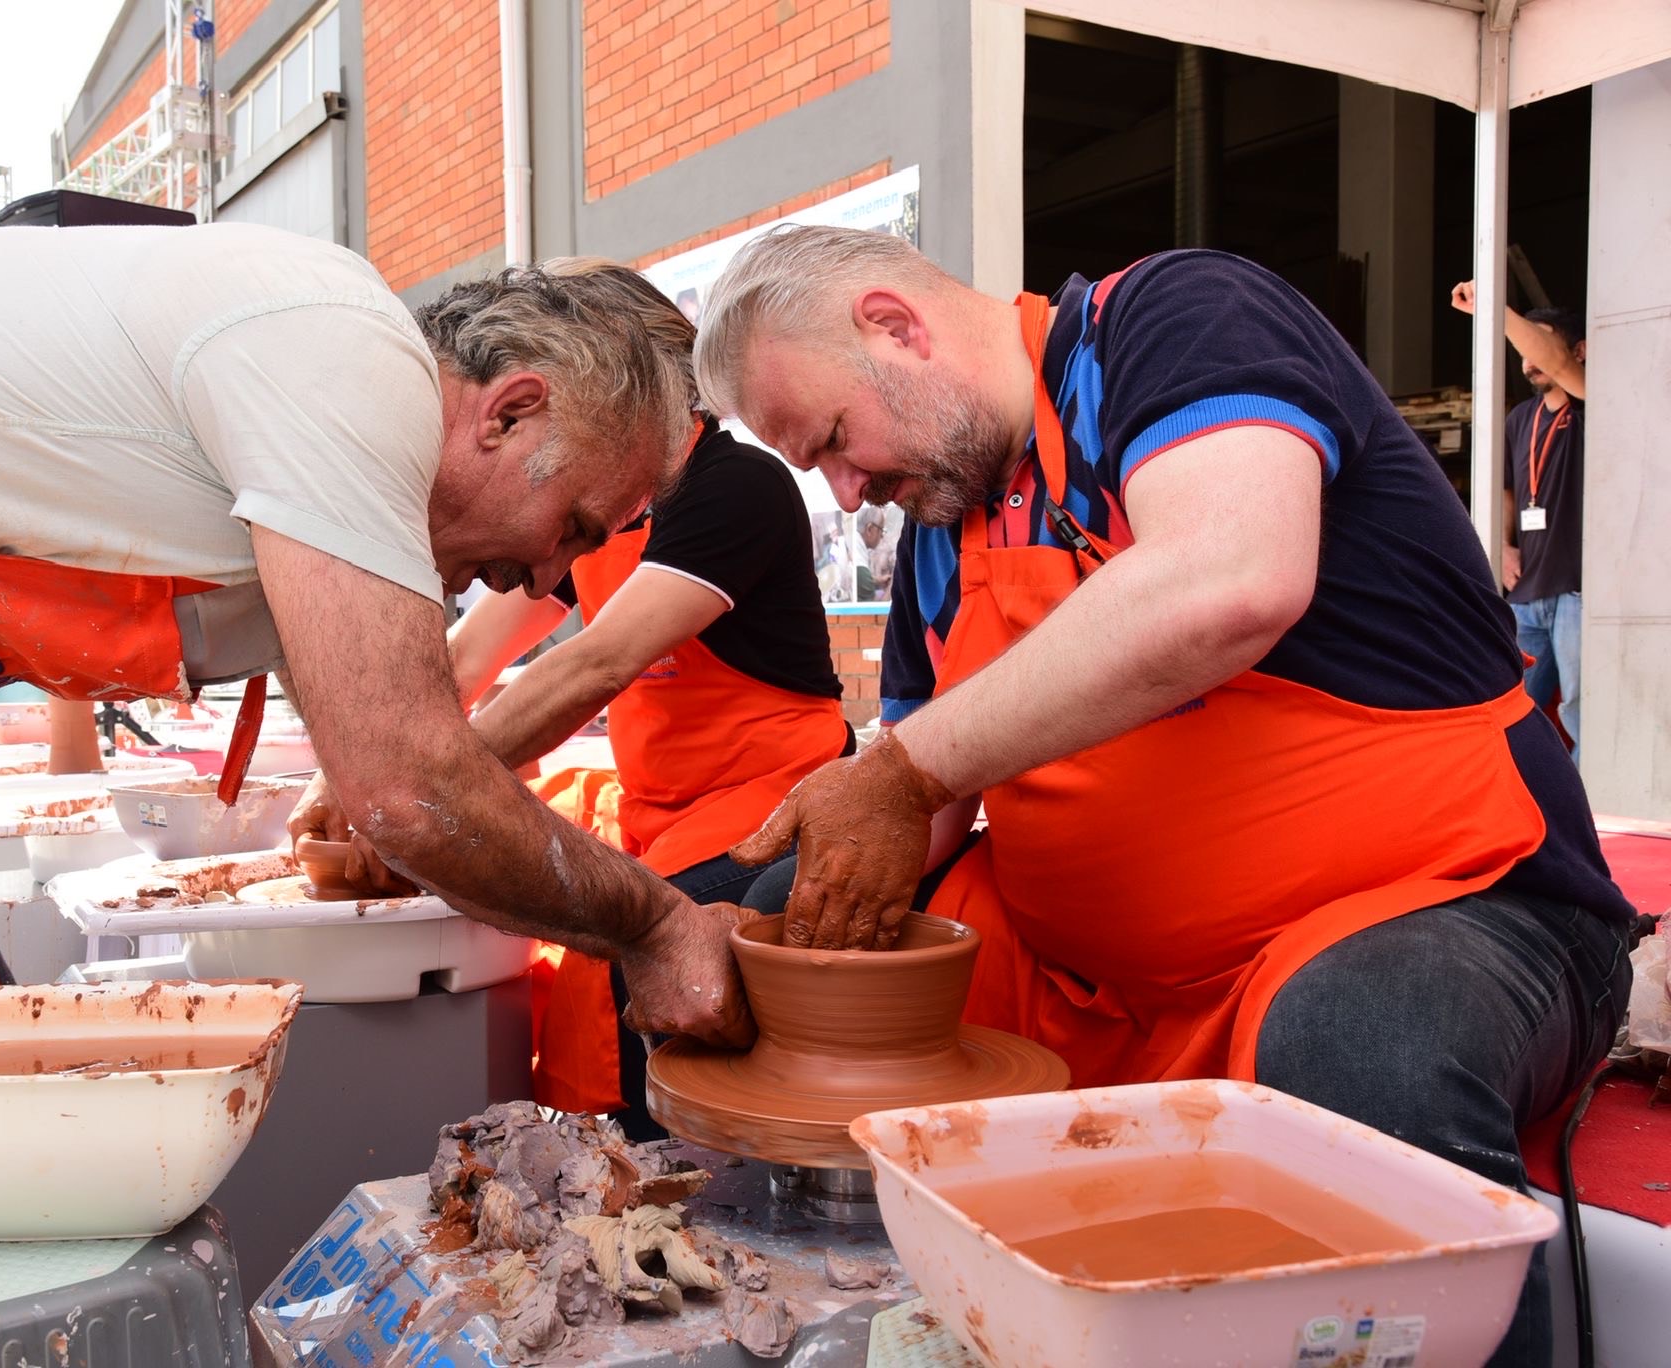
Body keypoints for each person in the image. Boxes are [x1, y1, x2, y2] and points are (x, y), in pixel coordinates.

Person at [0, 224, 753, 1337]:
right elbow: (408, 788)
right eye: (572, 527)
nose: (548, 574)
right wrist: (650, 924)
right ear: (509, 410)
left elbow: (392, 765)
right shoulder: (334, 349)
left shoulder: (328, 450)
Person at [696, 225, 1635, 1366]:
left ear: (895, 327)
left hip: (1444, 896)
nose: (848, 497)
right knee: (766, 922)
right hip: (1094, 976)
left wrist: (899, 771)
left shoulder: (1168, 323)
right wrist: (735, 908)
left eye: (835, 442)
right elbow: (915, 813)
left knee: (1354, 1039)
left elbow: (1232, 575)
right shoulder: (945, 529)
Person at [301, 261, 849, 1131]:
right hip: (659, 806)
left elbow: (592, 665)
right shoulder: (592, 500)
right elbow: (471, 652)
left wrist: (417, 788)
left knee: (621, 961)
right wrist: (351, 757)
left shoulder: (735, 488)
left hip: (767, 798)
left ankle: (652, 1175)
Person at [1451, 281, 1588, 761]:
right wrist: (1505, 546)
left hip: (1577, 589)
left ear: (1577, 349)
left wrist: (1495, 305)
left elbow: (1559, 364)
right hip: (1527, 590)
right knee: (1515, 706)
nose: (1528, 357)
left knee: (1579, 709)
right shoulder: (1519, 418)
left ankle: (1587, 816)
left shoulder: (1591, 401)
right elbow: (1509, 489)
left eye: (1537, 341)